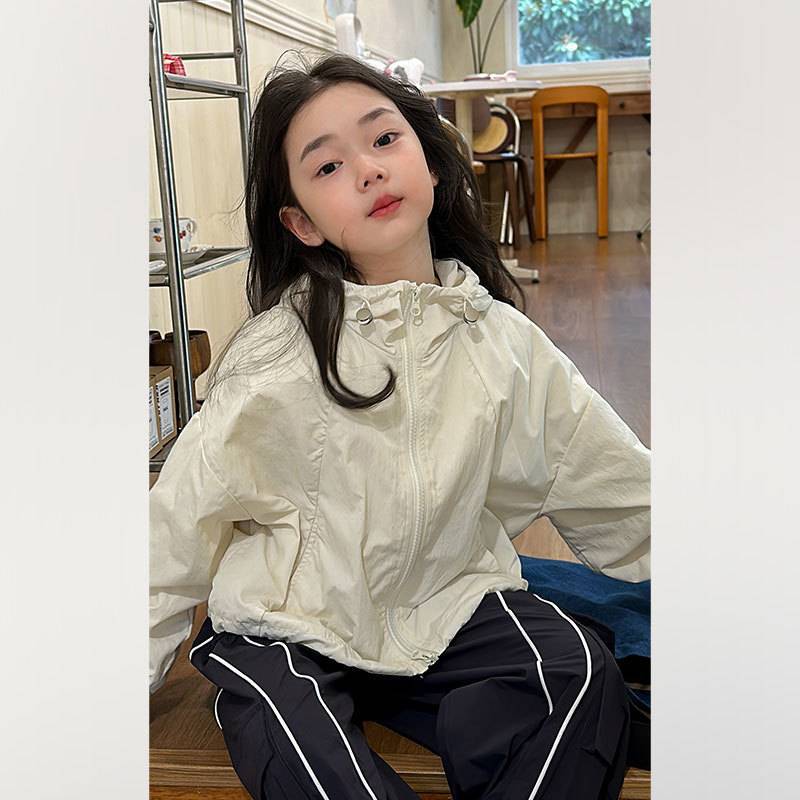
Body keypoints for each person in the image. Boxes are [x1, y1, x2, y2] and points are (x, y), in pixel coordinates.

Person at [149, 49, 650, 800]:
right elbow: (178, 521)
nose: (368, 170)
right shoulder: (274, 355)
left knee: (577, 675)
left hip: (447, 607)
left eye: (384, 139)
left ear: (433, 162)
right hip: (288, 625)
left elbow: (620, 488)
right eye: (327, 166)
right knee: (292, 735)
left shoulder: (505, 345)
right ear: (301, 223)